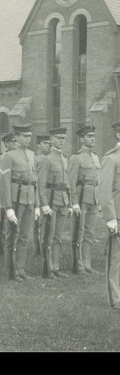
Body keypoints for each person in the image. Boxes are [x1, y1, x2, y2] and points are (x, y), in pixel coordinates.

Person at [0, 124, 40, 281]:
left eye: (29, 136)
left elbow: (34, 181)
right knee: (12, 235)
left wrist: (36, 204)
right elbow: (4, 182)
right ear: (16, 137)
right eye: (24, 136)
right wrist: (7, 207)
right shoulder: (9, 156)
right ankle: (11, 269)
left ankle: (21, 269)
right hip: (16, 200)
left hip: (29, 199)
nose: (27, 139)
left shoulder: (31, 154)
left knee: (24, 236)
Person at [37, 127, 72, 278]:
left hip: (62, 200)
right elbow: (41, 183)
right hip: (51, 201)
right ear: (51, 139)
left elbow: (67, 183)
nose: (61, 141)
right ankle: (47, 267)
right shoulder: (47, 159)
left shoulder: (64, 158)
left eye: (63, 138)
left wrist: (69, 203)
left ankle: (56, 267)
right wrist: (44, 204)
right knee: (48, 235)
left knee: (58, 236)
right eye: (58, 138)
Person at [68, 123, 101, 275]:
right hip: (81, 199)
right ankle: (78, 263)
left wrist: (99, 199)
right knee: (79, 232)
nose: (92, 139)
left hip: (93, 198)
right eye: (89, 136)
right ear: (81, 139)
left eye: (94, 136)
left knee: (90, 232)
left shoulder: (95, 157)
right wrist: (74, 202)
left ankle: (87, 264)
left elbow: (97, 180)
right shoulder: (76, 158)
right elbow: (71, 183)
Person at [100, 121, 120, 309]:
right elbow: (105, 191)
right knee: (116, 258)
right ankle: (115, 298)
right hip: (118, 215)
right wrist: (111, 218)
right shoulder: (111, 159)